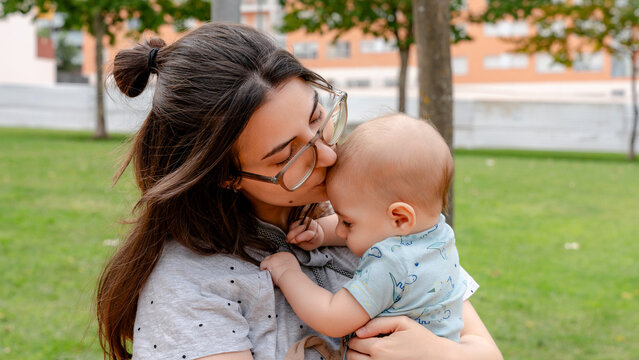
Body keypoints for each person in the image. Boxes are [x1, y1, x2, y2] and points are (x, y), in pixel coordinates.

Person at [96, 22, 503, 360]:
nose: (327, 154)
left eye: (317, 117)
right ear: (226, 176)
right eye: (287, 157)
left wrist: (437, 354)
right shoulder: (191, 288)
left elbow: (487, 352)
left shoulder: (364, 217)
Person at [261, 114, 465, 358]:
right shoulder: (437, 234)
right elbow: (375, 226)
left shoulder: (390, 262)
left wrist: (288, 274)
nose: (339, 230)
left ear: (400, 218)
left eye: (347, 222)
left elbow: (332, 318)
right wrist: (320, 233)